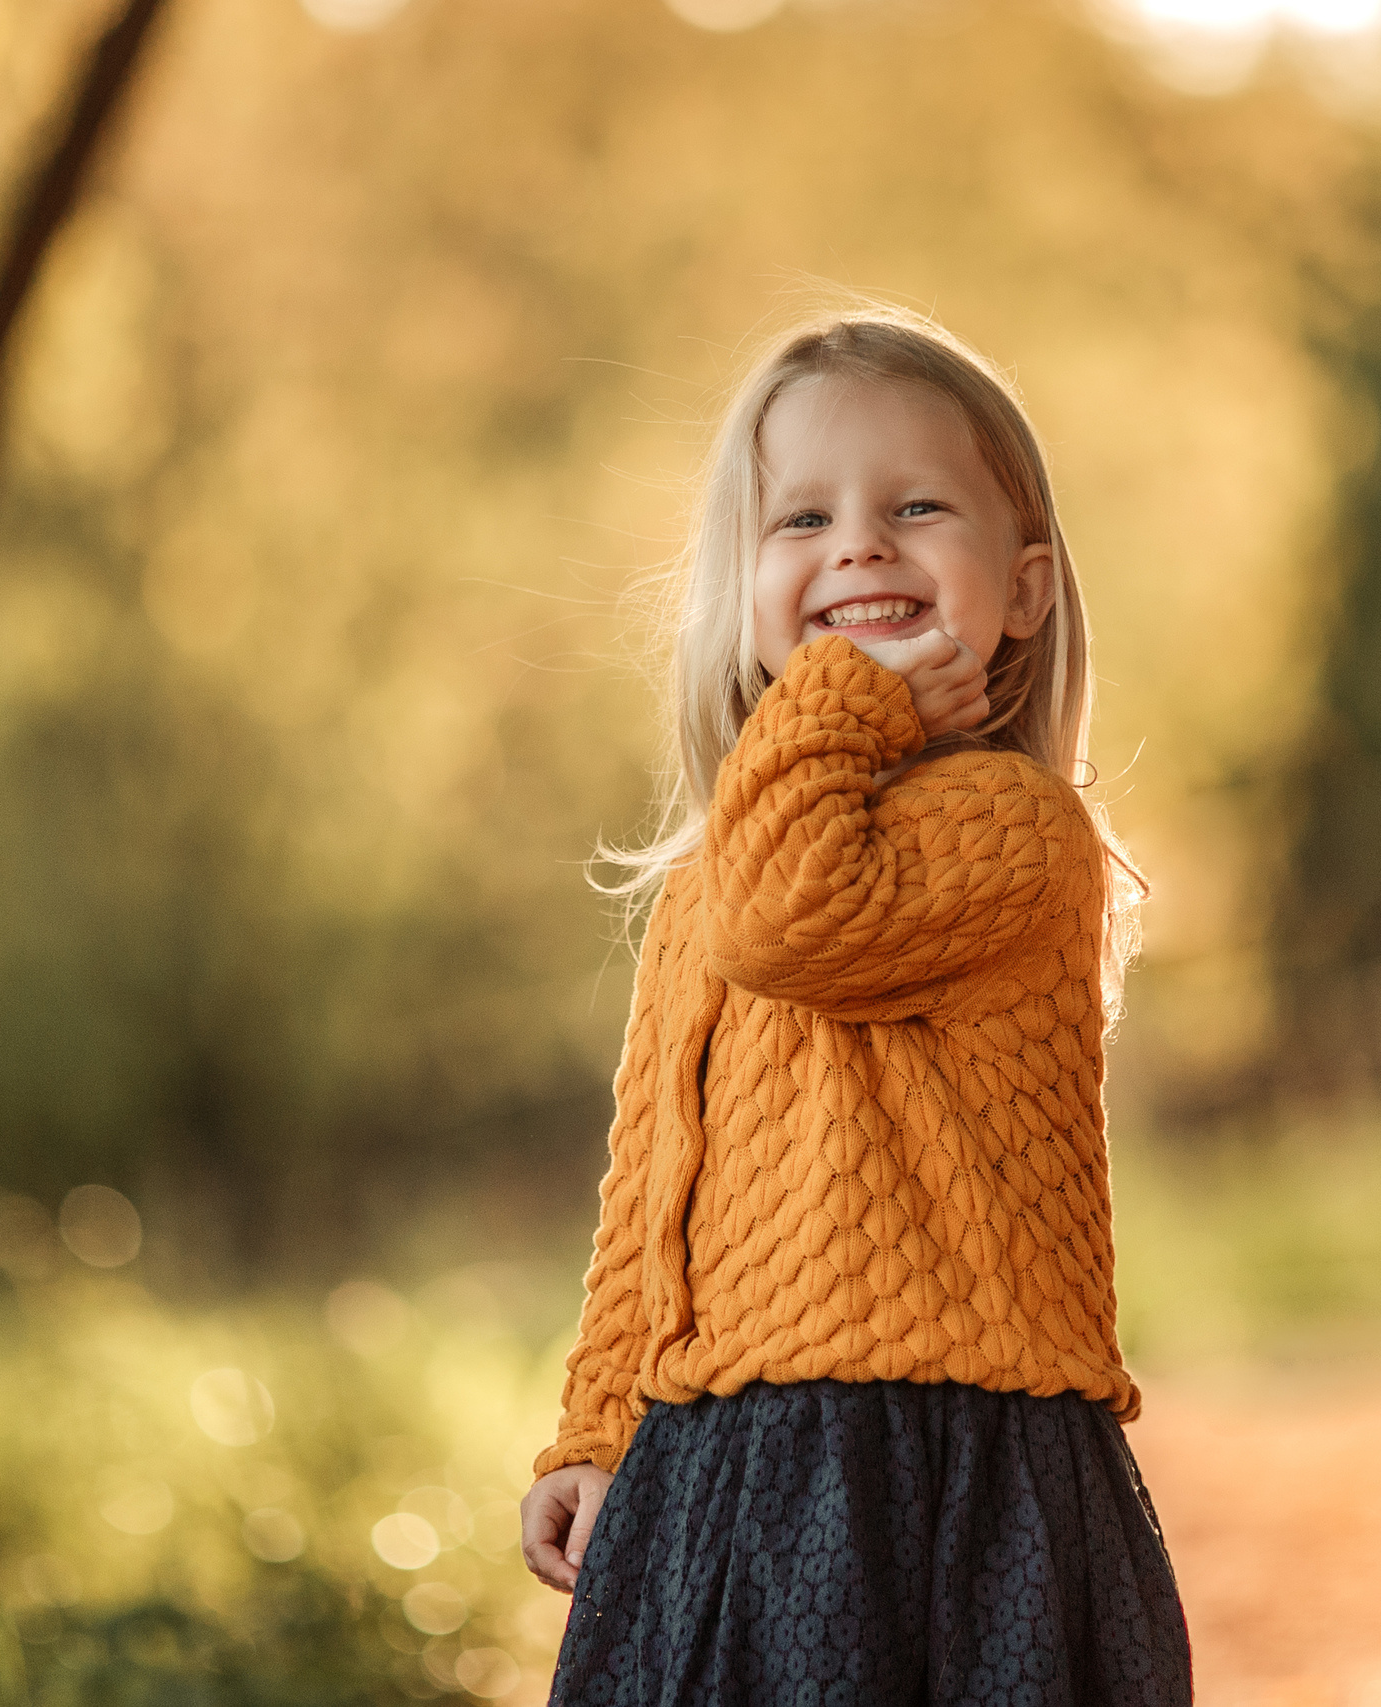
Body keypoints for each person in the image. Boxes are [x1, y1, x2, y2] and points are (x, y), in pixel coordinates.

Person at [518, 308, 1190, 1706]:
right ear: (738, 591)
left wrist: (834, 704)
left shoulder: (1013, 830)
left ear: (1024, 589)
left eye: (917, 505)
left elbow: (793, 918)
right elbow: (652, 1183)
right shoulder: (719, 874)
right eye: (801, 519)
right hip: (720, 1474)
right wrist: (595, 1421)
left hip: (945, 1468)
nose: (861, 546)